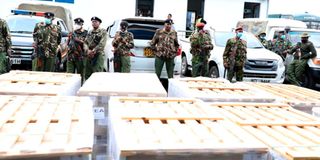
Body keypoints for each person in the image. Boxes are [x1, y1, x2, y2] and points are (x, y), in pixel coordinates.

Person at [66, 17, 88, 83]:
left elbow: (87, 44)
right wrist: (69, 38)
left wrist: (78, 41)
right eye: (76, 23)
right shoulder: (72, 32)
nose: (77, 25)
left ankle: (79, 88)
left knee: (80, 75)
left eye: (79, 23)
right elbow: (68, 43)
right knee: (69, 75)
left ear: (82, 24)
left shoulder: (86, 33)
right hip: (70, 56)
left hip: (80, 57)